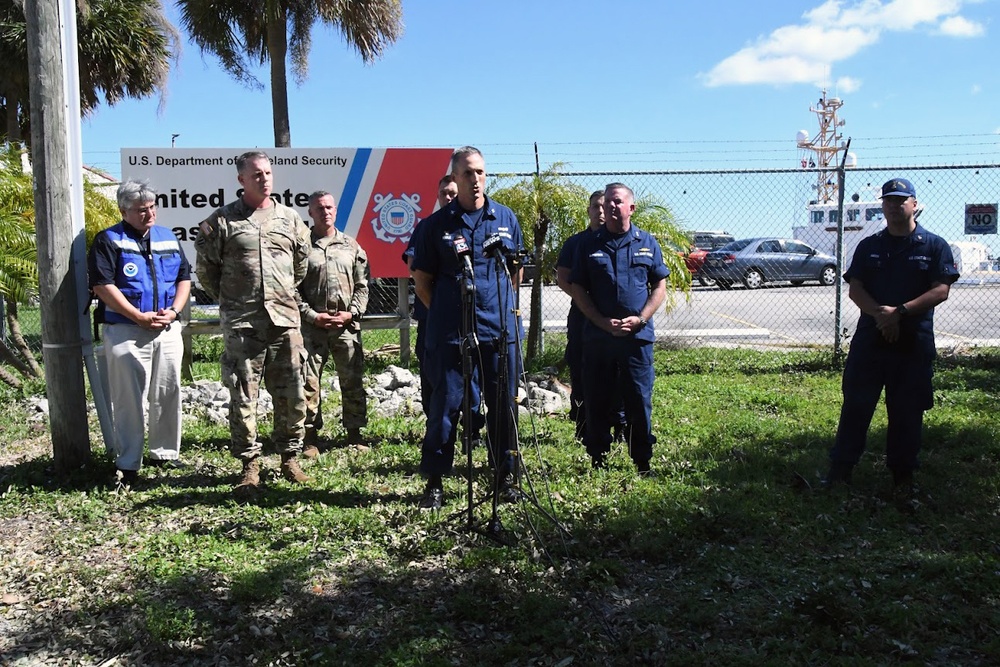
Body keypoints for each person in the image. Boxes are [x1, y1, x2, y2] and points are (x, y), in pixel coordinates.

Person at [824, 177, 959, 491]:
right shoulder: (870, 246)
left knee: (907, 411)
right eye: (889, 201)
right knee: (856, 405)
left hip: (913, 343)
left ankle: (903, 478)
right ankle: (840, 472)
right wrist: (880, 315)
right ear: (882, 206)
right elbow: (855, 288)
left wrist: (898, 312)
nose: (895, 206)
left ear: (914, 204)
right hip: (871, 341)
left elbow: (941, 290)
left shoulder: (934, 245)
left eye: (901, 200)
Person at [411, 146, 525, 509]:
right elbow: (423, 281)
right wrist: (449, 314)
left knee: (502, 404)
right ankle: (435, 481)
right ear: (454, 178)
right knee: (445, 406)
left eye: (479, 172)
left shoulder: (505, 218)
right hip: (451, 333)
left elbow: (515, 274)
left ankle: (505, 476)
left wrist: (501, 309)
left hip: (498, 331)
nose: (474, 180)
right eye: (467, 174)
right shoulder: (435, 226)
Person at [195, 151, 312, 490]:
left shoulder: (290, 219)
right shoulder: (221, 221)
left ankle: (290, 457)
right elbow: (207, 271)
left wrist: (282, 293)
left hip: (284, 321)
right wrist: (233, 302)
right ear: (241, 180)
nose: (264, 178)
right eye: (256, 174)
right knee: (244, 395)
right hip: (243, 324)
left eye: (268, 172)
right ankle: (250, 464)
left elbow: (300, 266)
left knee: (292, 392)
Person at [88, 179, 191, 486]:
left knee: (168, 392)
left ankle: (165, 455)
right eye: (141, 210)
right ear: (123, 211)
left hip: (166, 328)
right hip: (125, 329)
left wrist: (173, 311)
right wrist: (137, 316)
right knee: (129, 398)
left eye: (152, 208)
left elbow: (184, 278)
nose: (149, 214)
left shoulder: (167, 236)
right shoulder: (108, 240)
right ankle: (128, 462)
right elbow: (102, 286)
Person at [570, 183, 669, 475]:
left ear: (631, 208)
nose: (612, 207)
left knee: (638, 399)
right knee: (597, 399)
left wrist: (641, 318)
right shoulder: (588, 245)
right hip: (599, 338)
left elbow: (659, 285)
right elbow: (578, 288)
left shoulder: (648, 242)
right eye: (608, 203)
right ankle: (597, 457)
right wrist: (600, 321)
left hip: (637, 338)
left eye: (617, 202)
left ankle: (642, 460)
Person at [299, 191, 371, 457]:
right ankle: (310, 437)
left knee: (351, 380)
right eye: (319, 208)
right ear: (310, 212)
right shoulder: (302, 246)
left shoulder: (351, 246)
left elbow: (363, 285)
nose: (324, 212)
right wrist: (311, 316)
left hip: (345, 327)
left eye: (329, 207)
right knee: (308, 382)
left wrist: (351, 314)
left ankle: (355, 433)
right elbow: (292, 288)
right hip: (312, 327)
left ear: (336, 210)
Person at [402, 175, 459, 412]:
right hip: (432, 315)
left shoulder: (475, 226)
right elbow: (414, 266)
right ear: (437, 196)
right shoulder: (427, 226)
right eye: (444, 193)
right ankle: (434, 421)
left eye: (453, 193)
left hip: (469, 317)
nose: (448, 197)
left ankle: (472, 427)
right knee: (432, 371)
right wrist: (438, 307)